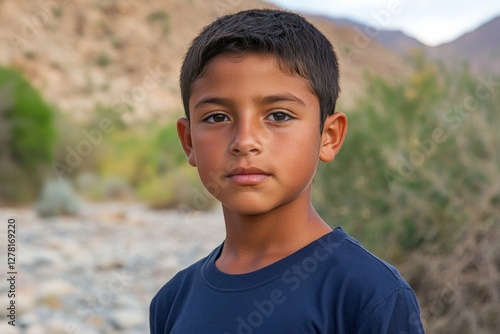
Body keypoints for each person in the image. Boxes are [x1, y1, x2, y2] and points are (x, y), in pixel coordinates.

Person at [150, 8, 425, 334]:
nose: (245, 142)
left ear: (329, 137)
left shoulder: (366, 294)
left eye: (278, 116)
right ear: (189, 141)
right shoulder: (172, 301)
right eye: (217, 117)